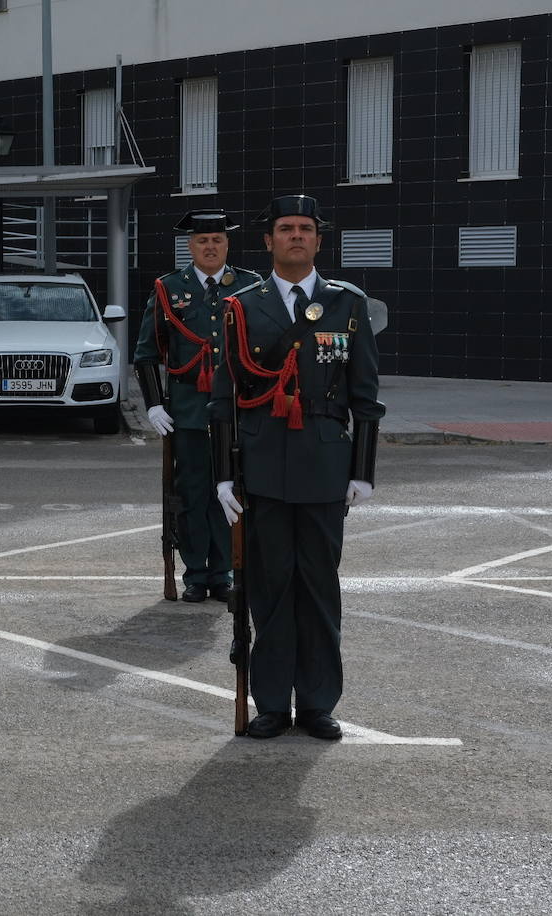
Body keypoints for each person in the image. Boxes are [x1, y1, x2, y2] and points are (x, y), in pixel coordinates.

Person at [209, 194, 384, 740]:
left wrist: (363, 470)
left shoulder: (347, 304)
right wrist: (221, 475)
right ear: (268, 241)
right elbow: (224, 399)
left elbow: (366, 395)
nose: (296, 237)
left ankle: (316, 704)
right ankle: (270, 704)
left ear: (318, 240)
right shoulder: (242, 305)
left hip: (326, 467)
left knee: (318, 588)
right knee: (268, 589)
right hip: (261, 467)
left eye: (306, 228)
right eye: (285, 228)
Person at [134, 210, 260, 603]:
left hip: (236, 412)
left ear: (227, 244)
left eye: (218, 240)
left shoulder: (250, 286)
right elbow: (145, 353)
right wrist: (154, 404)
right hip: (187, 410)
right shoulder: (169, 288)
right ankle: (195, 574)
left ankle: (223, 572)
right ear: (191, 246)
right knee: (191, 494)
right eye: (203, 241)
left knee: (232, 491)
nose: (210, 246)